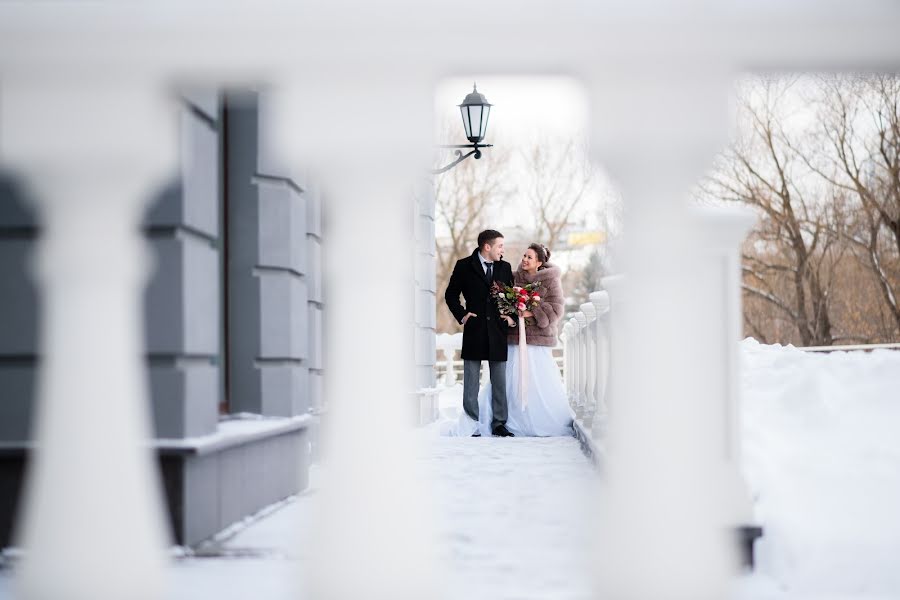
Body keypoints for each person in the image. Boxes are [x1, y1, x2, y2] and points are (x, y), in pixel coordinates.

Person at [476, 243, 574, 437]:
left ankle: (538, 420)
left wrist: (531, 311)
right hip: (514, 339)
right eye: (524, 256)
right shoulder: (513, 277)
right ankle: (504, 421)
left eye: (530, 257)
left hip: (537, 342)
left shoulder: (551, 280)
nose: (525, 260)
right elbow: (500, 299)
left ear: (539, 262)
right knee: (509, 381)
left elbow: (556, 309)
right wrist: (512, 314)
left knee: (538, 382)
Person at [444, 230, 516, 437]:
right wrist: (463, 315)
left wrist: (510, 317)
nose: (503, 250)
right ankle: (472, 423)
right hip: (474, 329)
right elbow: (450, 295)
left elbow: (511, 297)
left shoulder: (504, 267)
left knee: (500, 382)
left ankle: (499, 424)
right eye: (500, 246)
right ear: (487, 246)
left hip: (498, 331)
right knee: (471, 381)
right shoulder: (464, 266)